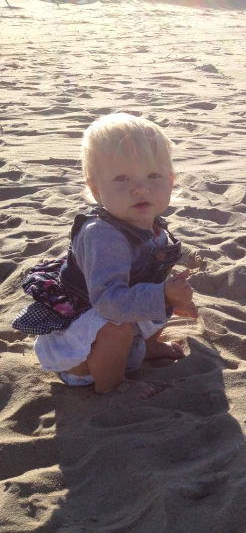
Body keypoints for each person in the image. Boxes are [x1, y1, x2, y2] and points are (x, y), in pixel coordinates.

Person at [12, 113, 198, 398]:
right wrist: (164, 295)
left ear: (171, 182)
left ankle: (144, 348)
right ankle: (111, 383)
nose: (140, 188)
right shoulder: (103, 236)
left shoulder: (151, 224)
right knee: (121, 322)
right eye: (122, 178)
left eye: (153, 175)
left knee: (155, 297)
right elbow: (108, 303)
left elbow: (145, 276)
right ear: (97, 189)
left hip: (115, 316)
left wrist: (172, 294)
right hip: (82, 348)